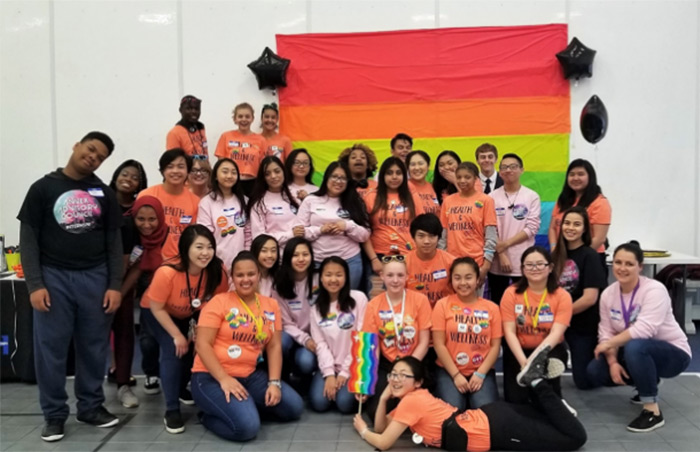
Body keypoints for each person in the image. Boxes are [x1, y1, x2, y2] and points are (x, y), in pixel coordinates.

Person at [18, 131, 123, 442]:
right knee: (50, 350)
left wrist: (114, 284)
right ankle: (54, 415)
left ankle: (91, 407)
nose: (93, 158)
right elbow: (28, 240)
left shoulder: (103, 192)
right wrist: (35, 284)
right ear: (77, 145)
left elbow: (114, 243)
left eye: (100, 157)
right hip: (53, 278)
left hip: (95, 277)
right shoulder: (43, 188)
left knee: (94, 348)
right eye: (91, 150)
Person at [352, 352, 586, 451]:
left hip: (498, 429)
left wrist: (364, 430)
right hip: (492, 417)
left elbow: (383, 442)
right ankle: (546, 394)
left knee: (575, 437)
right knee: (553, 423)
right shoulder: (412, 400)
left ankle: (538, 383)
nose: (395, 379)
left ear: (418, 383)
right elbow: (383, 428)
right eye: (393, 374)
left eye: (404, 375)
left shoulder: (412, 403)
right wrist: (383, 398)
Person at [191, 251, 304, 441]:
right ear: (232, 277)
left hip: (250, 376)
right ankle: (207, 417)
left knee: (294, 408)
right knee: (247, 429)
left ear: (259, 274)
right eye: (239, 275)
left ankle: (244, 406)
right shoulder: (218, 302)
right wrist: (224, 379)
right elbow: (202, 345)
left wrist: (274, 383)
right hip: (211, 377)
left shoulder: (270, 305)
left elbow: (274, 346)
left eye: (251, 274)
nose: (245, 279)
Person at [586, 241, 692, 432]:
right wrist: (612, 363)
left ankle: (652, 411)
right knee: (596, 370)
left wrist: (609, 343)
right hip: (636, 351)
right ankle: (647, 379)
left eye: (629, 264)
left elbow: (644, 330)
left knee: (636, 346)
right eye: (618, 263)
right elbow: (606, 332)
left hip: (673, 354)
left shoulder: (654, 290)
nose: (622, 268)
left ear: (640, 266)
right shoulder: (609, 294)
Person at [140, 225, 228, 434]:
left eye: (209, 247)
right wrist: (177, 335)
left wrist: (199, 329)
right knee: (174, 348)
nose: (205, 253)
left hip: (190, 313)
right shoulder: (167, 272)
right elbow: (156, 307)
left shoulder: (217, 271)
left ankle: (179, 388)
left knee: (194, 347)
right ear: (185, 248)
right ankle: (171, 409)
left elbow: (214, 304)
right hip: (157, 312)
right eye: (199, 247)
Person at [113, 196, 167, 408]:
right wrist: (113, 291)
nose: (147, 224)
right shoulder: (124, 229)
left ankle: (124, 384)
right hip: (108, 283)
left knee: (131, 334)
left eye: (152, 219)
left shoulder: (164, 233)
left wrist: (121, 294)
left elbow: (137, 268)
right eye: (141, 219)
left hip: (140, 288)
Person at [500, 246, 572, 405]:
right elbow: (509, 332)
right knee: (515, 400)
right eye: (529, 265)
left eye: (540, 264)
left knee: (545, 400)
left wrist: (533, 362)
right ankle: (536, 380)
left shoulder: (562, 296)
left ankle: (554, 395)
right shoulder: (511, 293)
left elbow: (556, 333)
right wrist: (524, 364)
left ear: (550, 267)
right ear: (523, 269)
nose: (535, 269)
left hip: (549, 351)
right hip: (519, 351)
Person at [362, 256, 431, 418]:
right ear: (382, 277)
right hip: (388, 365)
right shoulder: (373, 305)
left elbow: (424, 342)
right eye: (390, 275)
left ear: (407, 276)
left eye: (400, 275)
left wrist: (407, 369)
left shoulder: (420, 300)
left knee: (421, 409)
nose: (395, 280)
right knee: (374, 412)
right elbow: (372, 346)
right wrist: (366, 382)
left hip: (414, 363)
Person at [432, 258, 502, 410]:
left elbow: (495, 346)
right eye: (457, 278)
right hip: (449, 370)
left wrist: (481, 374)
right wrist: (456, 375)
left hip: (481, 370)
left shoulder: (492, 308)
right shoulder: (442, 305)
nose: (463, 283)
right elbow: (439, 344)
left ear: (478, 279)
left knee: (486, 413)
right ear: (451, 280)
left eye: (468, 277)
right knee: (452, 411)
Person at [293, 161, 371, 290]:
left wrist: (347, 226)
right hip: (318, 262)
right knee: (317, 304)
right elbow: (298, 232)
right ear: (326, 178)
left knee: (348, 304)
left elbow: (365, 235)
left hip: (350, 262)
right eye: (334, 176)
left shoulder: (355, 201)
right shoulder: (310, 200)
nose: (338, 181)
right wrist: (320, 230)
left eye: (343, 178)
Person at [552, 207, 606, 390]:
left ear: (585, 229)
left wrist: (561, 317)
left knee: (585, 382)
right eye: (567, 223)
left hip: (582, 325)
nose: (570, 228)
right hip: (558, 322)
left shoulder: (590, 256)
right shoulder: (555, 255)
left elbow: (590, 298)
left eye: (577, 224)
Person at [309, 257, 368, 413]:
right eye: (328, 275)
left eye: (339, 275)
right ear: (321, 278)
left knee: (344, 404)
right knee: (319, 403)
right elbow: (320, 344)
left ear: (346, 277)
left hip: (355, 365)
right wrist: (329, 374)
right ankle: (330, 383)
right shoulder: (315, 309)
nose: (333, 279)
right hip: (331, 365)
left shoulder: (359, 299)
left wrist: (345, 372)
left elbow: (362, 339)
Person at [488, 153, 540, 304]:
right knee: (499, 303)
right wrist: (502, 252)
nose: (508, 170)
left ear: (521, 170)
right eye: (504, 167)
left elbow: (532, 227)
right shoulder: (491, 197)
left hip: (524, 262)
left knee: (524, 304)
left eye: (513, 167)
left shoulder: (531, 196)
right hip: (498, 263)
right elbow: (490, 228)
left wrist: (506, 244)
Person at [363, 158, 424, 275]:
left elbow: (421, 228)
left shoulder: (412, 197)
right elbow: (364, 232)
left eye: (398, 173)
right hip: (379, 256)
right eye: (389, 173)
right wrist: (374, 259)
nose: (394, 177)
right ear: (382, 176)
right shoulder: (371, 197)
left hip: (408, 255)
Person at [440, 162, 497, 286]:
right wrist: (442, 261)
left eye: (467, 177)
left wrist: (486, 265)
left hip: (476, 262)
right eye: (459, 177)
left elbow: (491, 234)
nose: (462, 180)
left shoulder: (486, 200)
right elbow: (443, 235)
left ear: (476, 179)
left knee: (474, 302)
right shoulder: (448, 201)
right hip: (451, 261)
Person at [549, 159, 612, 270]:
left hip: (590, 258)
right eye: (572, 174)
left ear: (590, 177)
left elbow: (599, 238)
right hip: (561, 258)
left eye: (581, 174)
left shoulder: (600, 202)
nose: (575, 178)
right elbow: (553, 228)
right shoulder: (563, 200)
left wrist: (578, 256)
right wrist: (555, 250)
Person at [138, 148, 200, 260]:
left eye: (181, 167)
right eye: (170, 167)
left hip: (180, 262)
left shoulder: (195, 201)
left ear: (188, 171)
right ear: (162, 171)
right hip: (147, 260)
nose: (175, 171)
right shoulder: (147, 195)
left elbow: (193, 237)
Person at [272, 238, 319, 379]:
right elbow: (285, 324)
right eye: (295, 255)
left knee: (306, 363)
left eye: (305, 254)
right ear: (287, 258)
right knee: (281, 341)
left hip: (317, 336)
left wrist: (316, 339)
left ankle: (303, 377)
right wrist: (305, 339)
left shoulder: (319, 278)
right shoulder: (279, 284)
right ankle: (286, 372)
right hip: (294, 335)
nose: (301, 259)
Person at [197, 158, 250, 270]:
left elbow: (248, 233)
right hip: (216, 262)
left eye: (233, 172)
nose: (229, 176)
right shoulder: (206, 202)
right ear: (215, 176)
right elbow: (205, 235)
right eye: (225, 172)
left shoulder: (244, 201)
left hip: (241, 262)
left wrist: (247, 256)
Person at [247, 156, 302, 251]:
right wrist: (290, 234)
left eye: (277, 171)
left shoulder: (296, 195)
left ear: (283, 172)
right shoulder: (259, 203)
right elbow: (259, 238)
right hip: (274, 258)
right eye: (267, 174)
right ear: (263, 178)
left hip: (299, 256)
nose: (273, 176)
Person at [215, 102, 267, 196]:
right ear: (235, 119)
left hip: (253, 184)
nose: (244, 119)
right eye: (240, 116)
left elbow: (264, 164)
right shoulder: (226, 136)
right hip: (231, 184)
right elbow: (221, 164)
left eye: (247, 116)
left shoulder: (261, 140)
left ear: (252, 119)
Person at [405, 213, 455, 308]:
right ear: (413, 237)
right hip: (414, 313)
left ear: (438, 238)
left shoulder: (451, 262)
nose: (426, 241)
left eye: (431, 236)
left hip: (445, 312)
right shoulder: (404, 263)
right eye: (421, 236)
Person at [406, 150, 440, 215]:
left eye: (421, 163)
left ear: (428, 166)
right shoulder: (405, 186)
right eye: (412, 164)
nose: (417, 168)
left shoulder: (433, 187)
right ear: (408, 168)